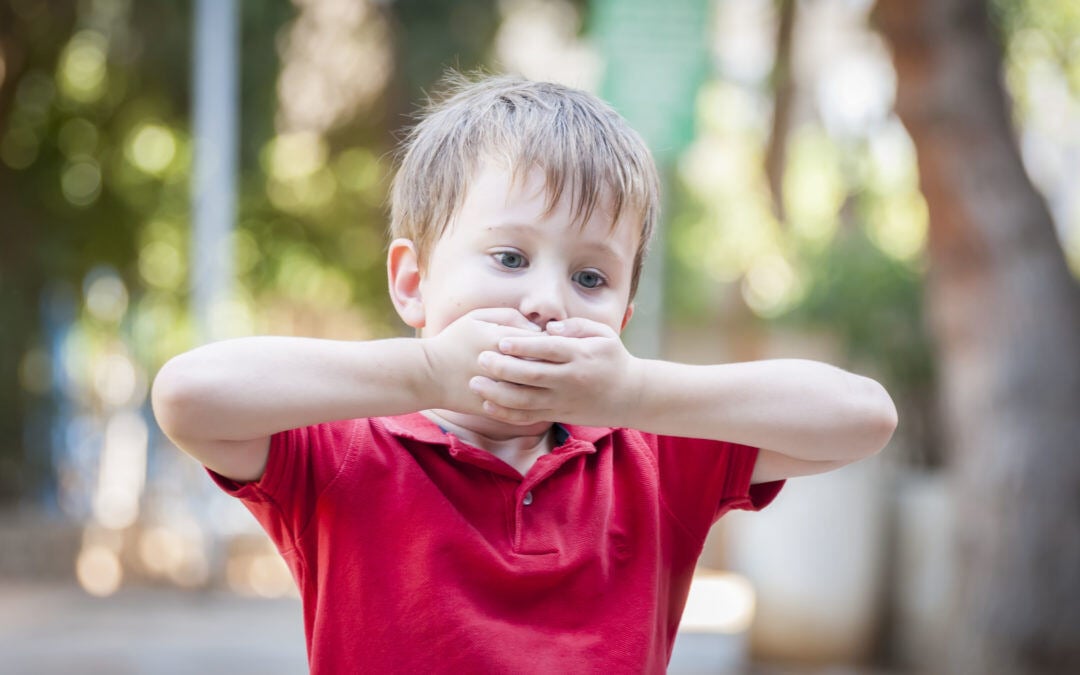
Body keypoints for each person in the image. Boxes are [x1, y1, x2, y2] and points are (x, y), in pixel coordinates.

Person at [151, 74, 897, 673]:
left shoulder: (655, 452)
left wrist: (635, 392)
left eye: (591, 278)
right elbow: (188, 396)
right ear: (412, 283)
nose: (546, 301)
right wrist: (425, 375)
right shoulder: (346, 453)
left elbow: (864, 416)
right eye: (509, 258)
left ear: (625, 316)